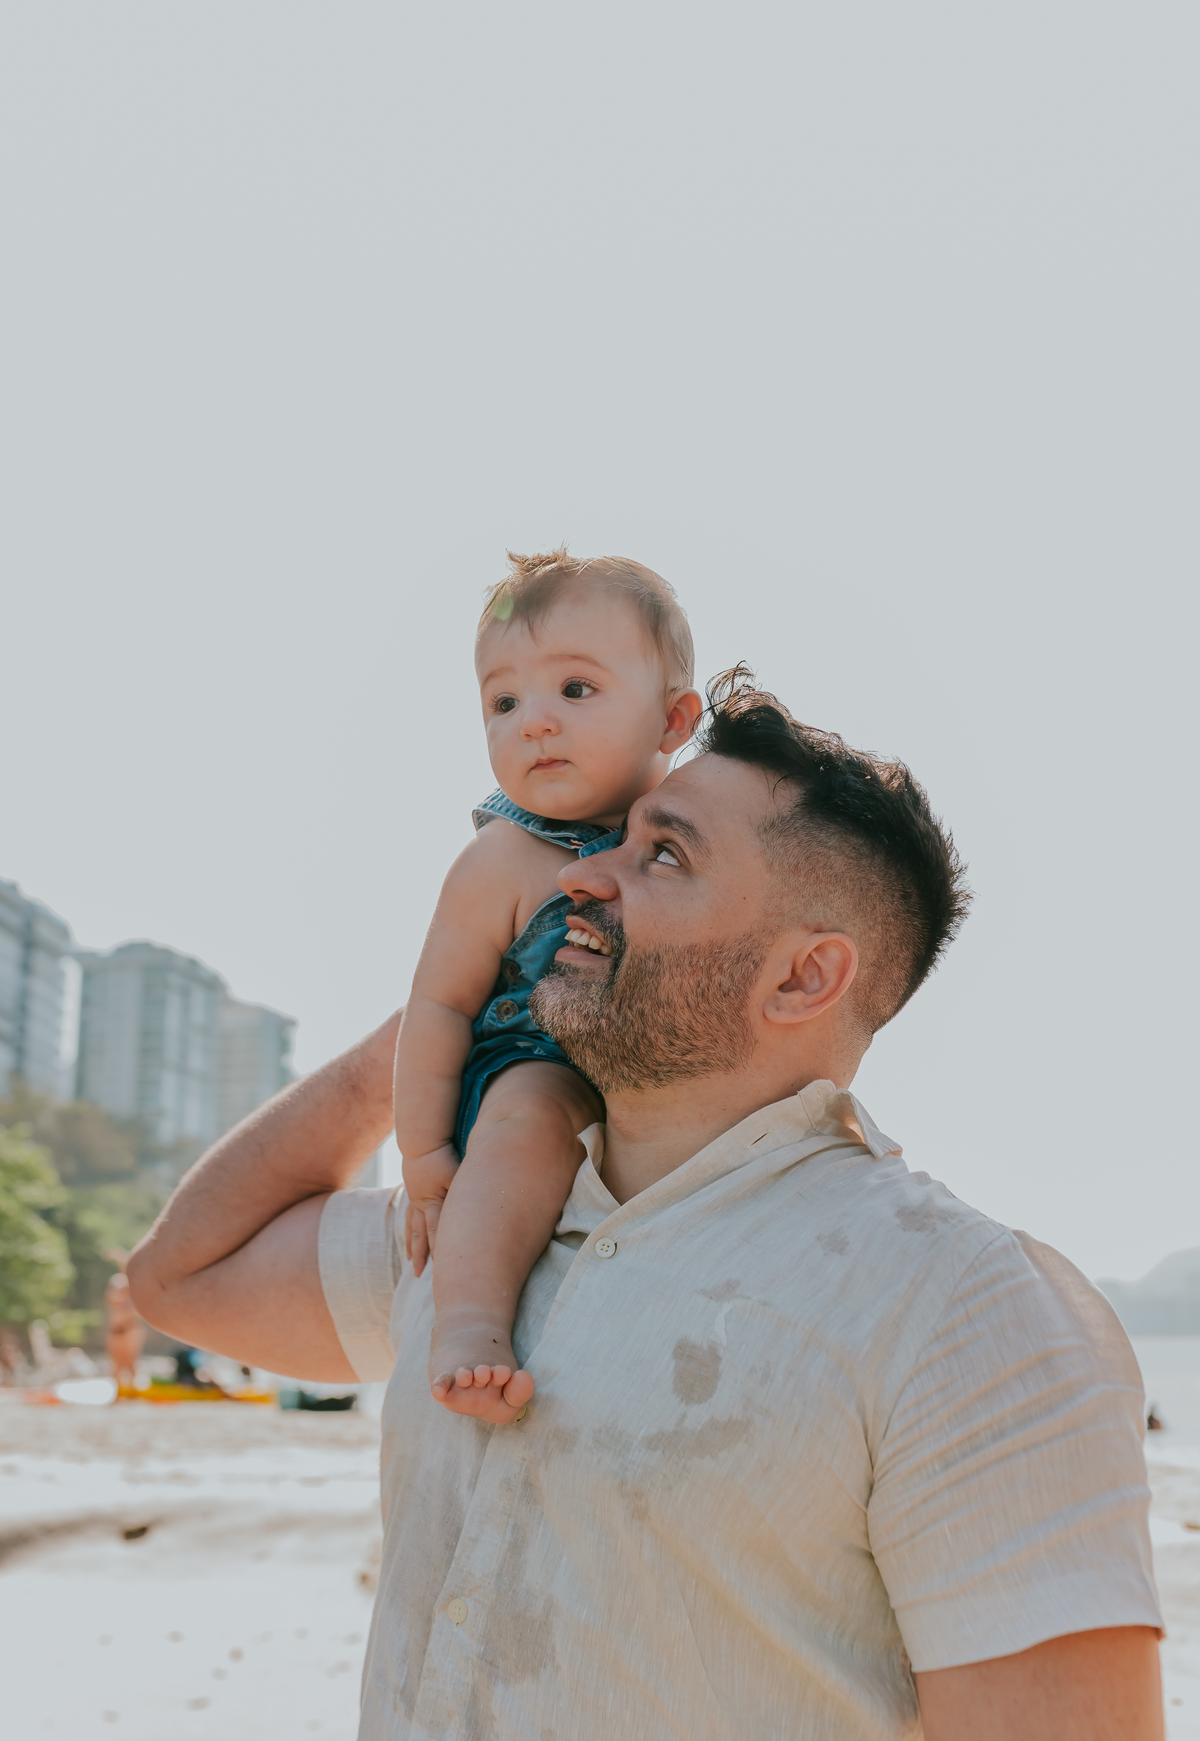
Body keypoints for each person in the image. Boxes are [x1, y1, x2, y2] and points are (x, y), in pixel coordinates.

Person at [127, 673, 1164, 1740]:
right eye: (607, 841)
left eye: (660, 853)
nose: (581, 879)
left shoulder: (962, 1306)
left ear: (805, 979)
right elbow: (181, 1279)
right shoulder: (483, 1220)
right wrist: (444, 1015)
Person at [393, 549, 700, 1416]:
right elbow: (438, 1005)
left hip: (659, 1059)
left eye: (575, 690)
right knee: (529, 1114)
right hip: (533, 1056)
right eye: (503, 701)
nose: (533, 723)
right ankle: (470, 1324)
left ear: (674, 720)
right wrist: (423, 1158)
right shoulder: (503, 858)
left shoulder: (699, 830)